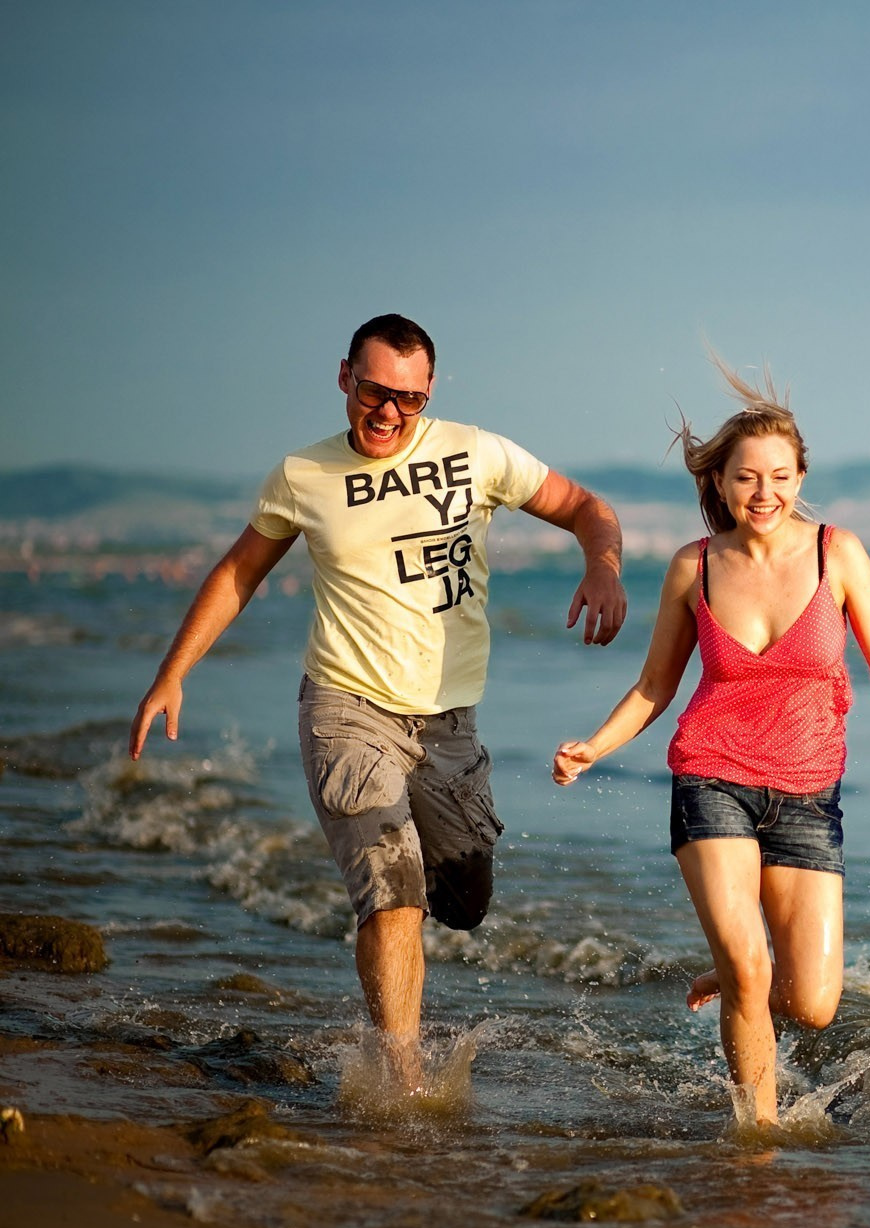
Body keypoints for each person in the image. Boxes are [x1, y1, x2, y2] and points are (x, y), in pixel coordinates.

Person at [129, 313, 627, 1089]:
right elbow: (238, 572)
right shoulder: (304, 475)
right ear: (345, 378)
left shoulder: (477, 453)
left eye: (410, 398)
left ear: (429, 393)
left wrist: (604, 565)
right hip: (345, 710)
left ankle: (407, 960)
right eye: (373, 391)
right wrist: (174, 670)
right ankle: (403, 1080)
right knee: (394, 894)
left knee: (464, 902)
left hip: (449, 725)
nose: (390, 411)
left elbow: (588, 507)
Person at [550, 359, 870, 1127]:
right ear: (720, 481)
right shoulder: (695, 566)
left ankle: (742, 976)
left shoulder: (838, 553)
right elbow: (654, 686)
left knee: (814, 1003)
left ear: (800, 476)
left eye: (778, 476)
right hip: (711, 779)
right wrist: (593, 747)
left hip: (808, 792)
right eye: (746, 478)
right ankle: (758, 1144)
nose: (763, 492)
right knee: (749, 969)